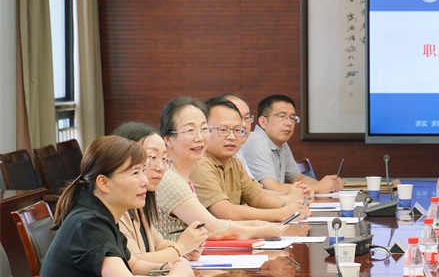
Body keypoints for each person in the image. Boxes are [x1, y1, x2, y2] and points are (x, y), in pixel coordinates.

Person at [39, 136, 195, 277]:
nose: (144, 181)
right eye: (135, 173)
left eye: (143, 171)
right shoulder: (89, 223)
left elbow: (133, 265)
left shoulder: (102, 216)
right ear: (104, 183)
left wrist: (168, 267)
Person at [155, 96, 285, 240]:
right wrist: (261, 230)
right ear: (168, 139)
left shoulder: (182, 177)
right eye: (190, 130)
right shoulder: (170, 179)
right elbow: (213, 229)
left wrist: (255, 224)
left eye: (204, 129)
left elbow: (210, 225)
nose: (200, 138)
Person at [190, 97, 311, 222]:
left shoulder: (234, 162)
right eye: (223, 130)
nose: (232, 137)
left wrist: (289, 207)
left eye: (237, 130)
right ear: (204, 130)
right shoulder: (199, 163)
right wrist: (281, 213)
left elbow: (258, 197)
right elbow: (226, 212)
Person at [112, 122, 208, 262]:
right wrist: (180, 248)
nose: (161, 167)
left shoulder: (140, 201)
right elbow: (134, 262)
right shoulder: (116, 208)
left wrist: (186, 249)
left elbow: (158, 244)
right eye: (152, 157)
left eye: (164, 159)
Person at [242, 94, 343, 194]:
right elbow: (272, 188)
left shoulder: (281, 144)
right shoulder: (256, 141)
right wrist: (318, 187)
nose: (289, 123)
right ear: (263, 121)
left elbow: (298, 178)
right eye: (282, 116)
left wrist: (329, 185)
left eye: (292, 118)